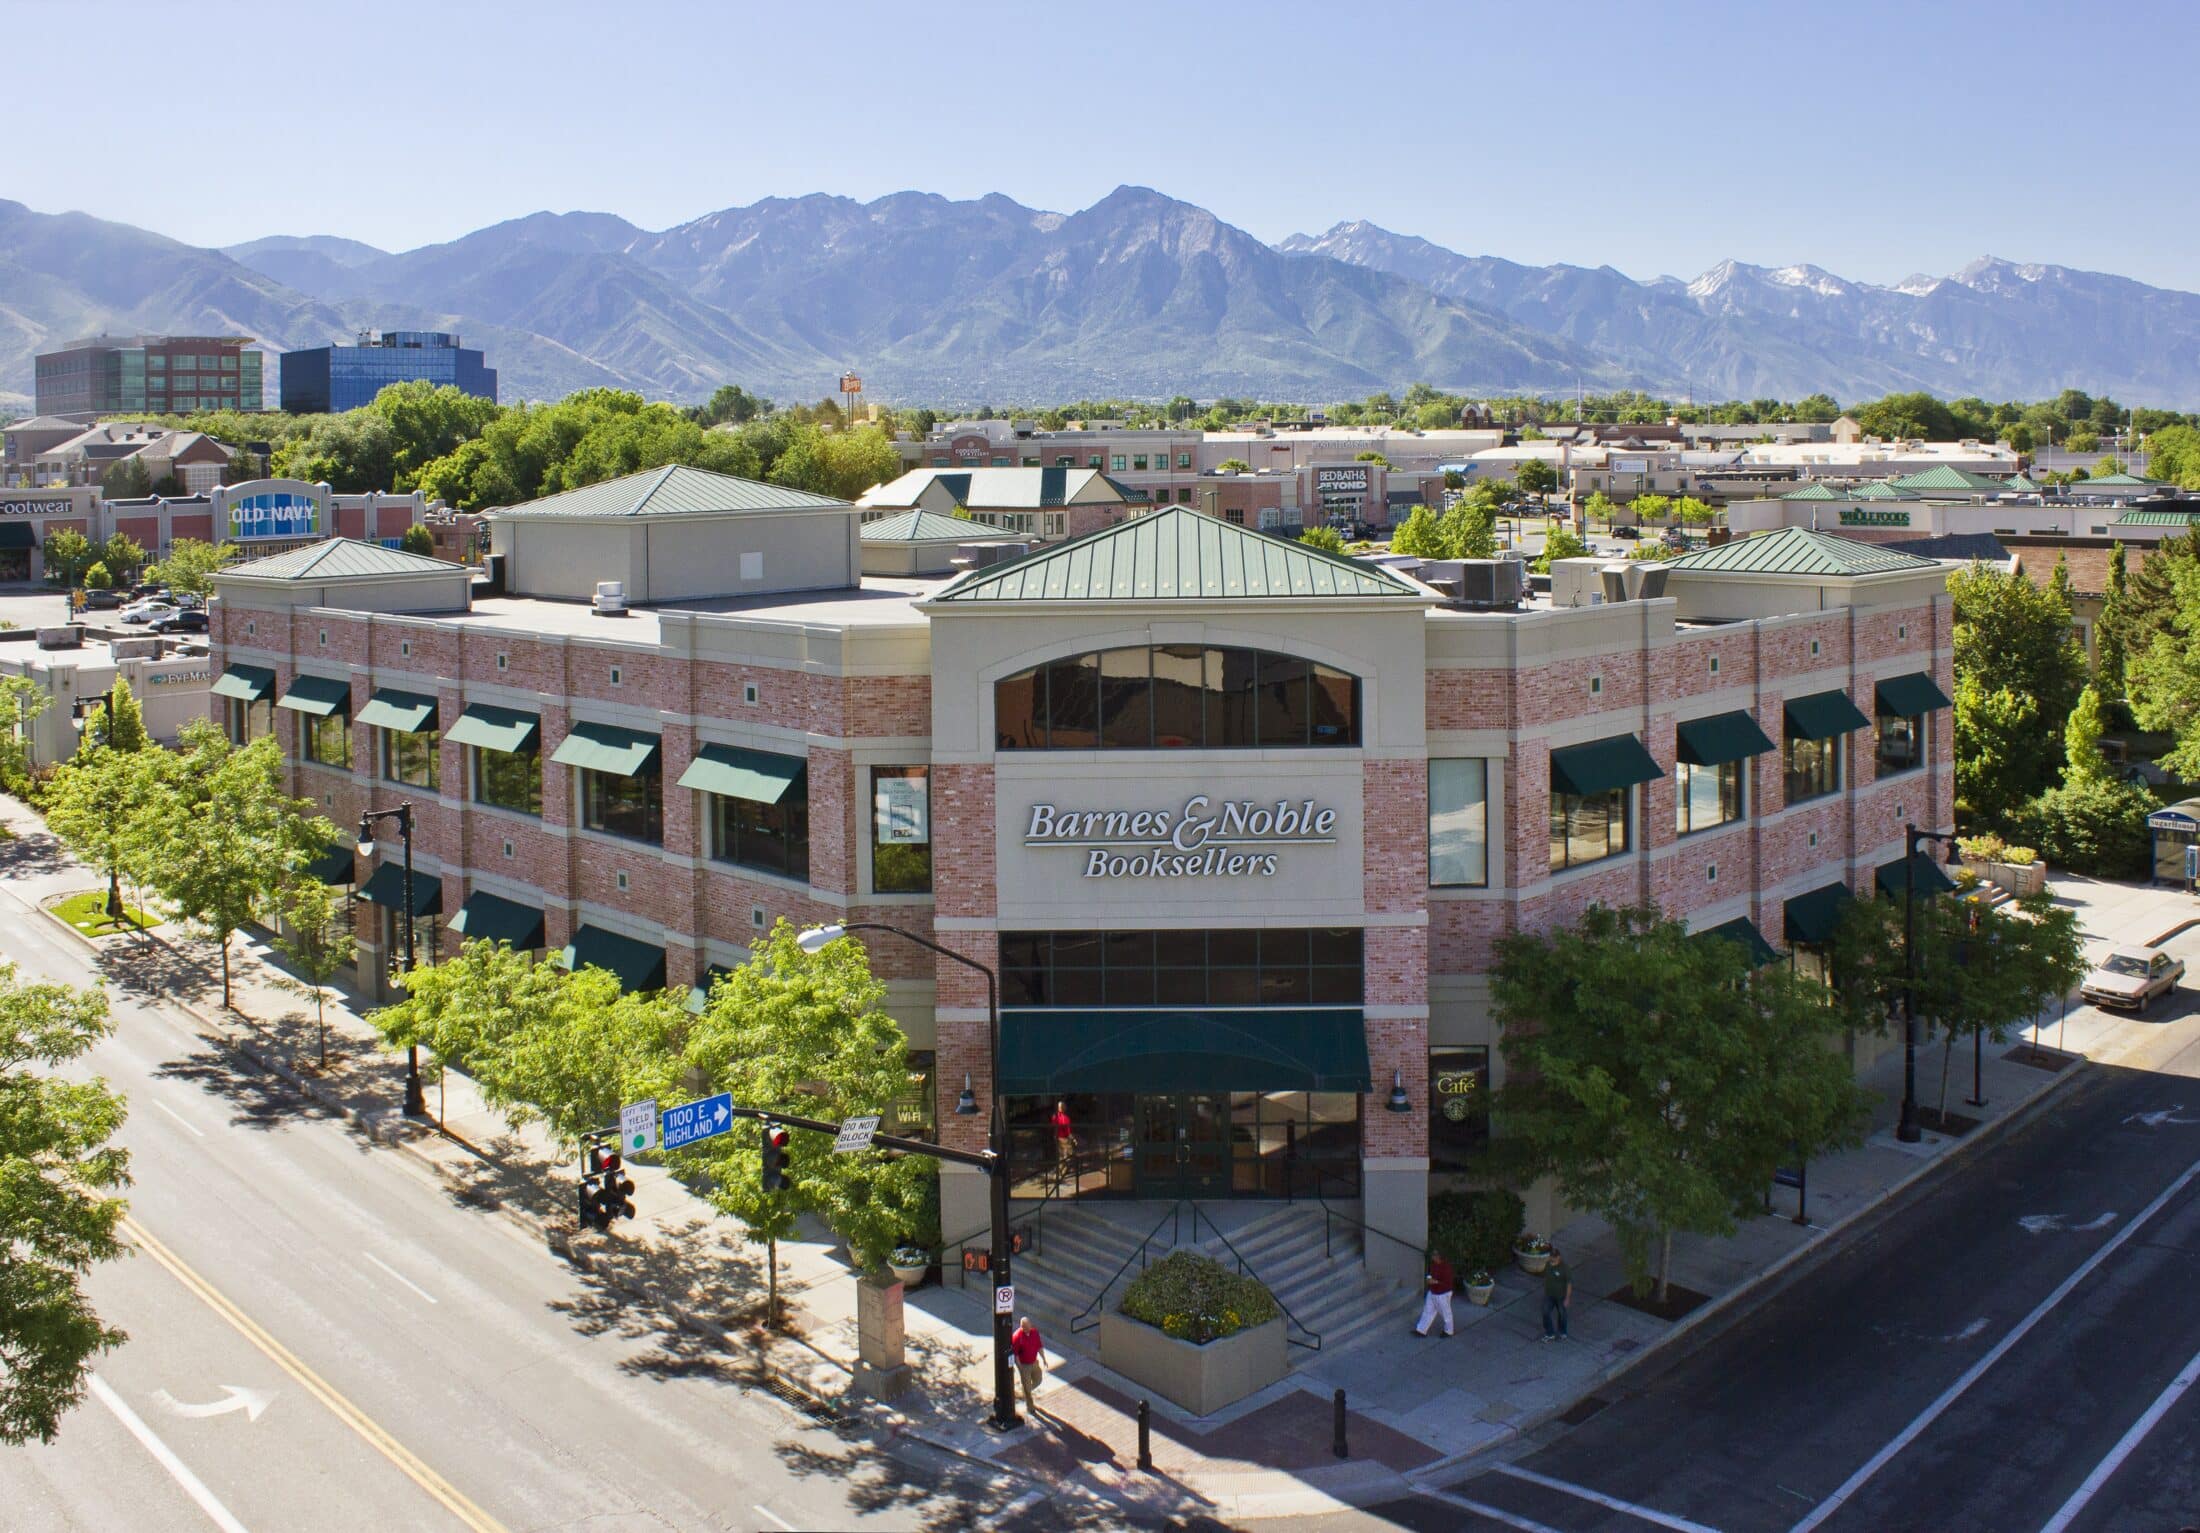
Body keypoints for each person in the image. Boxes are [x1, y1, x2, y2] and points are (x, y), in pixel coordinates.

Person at [1415, 1252, 1456, 1338]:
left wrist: (1436, 1282)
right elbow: (1430, 1274)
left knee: (1445, 1313)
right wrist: (1429, 1279)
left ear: (1439, 1257)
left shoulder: (1446, 1268)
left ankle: (1449, 1331)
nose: (1432, 1256)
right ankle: (1421, 1330)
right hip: (1433, 1291)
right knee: (1427, 1310)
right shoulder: (1433, 1265)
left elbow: (1448, 1284)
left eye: (1434, 1255)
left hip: (1443, 1294)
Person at [1010, 1315, 1046, 1410]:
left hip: (1034, 1362)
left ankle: (1025, 1391)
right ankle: (1030, 1406)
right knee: (1027, 1386)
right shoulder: (1017, 1337)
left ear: (1030, 1324)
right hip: (1024, 1365)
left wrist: (1044, 1359)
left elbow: (1039, 1346)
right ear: (1021, 1326)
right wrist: (1020, 1367)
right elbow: (1016, 1354)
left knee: (1038, 1380)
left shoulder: (1034, 1332)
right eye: (1024, 1326)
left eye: (1027, 1326)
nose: (1026, 1328)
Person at [1542, 1248, 1572, 1341]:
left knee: (1562, 1314)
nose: (1552, 1258)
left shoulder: (1565, 1268)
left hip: (1561, 1296)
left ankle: (1562, 1332)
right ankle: (1549, 1333)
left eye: (1554, 1257)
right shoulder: (1547, 1265)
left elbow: (1569, 1284)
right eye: (1551, 1256)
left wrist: (1567, 1298)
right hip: (1549, 1295)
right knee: (1545, 1312)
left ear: (1559, 1257)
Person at [1051, 1100, 1075, 1175]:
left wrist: (1072, 1138)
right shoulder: (1057, 1117)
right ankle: (1061, 1170)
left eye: (1062, 1106)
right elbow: (1055, 1127)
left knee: (1066, 1155)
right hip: (1061, 1138)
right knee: (1064, 1155)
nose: (1061, 1108)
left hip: (1064, 1138)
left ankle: (1062, 1169)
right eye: (1060, 1106)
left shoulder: (1064, 1117)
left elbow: (1068, 1130)